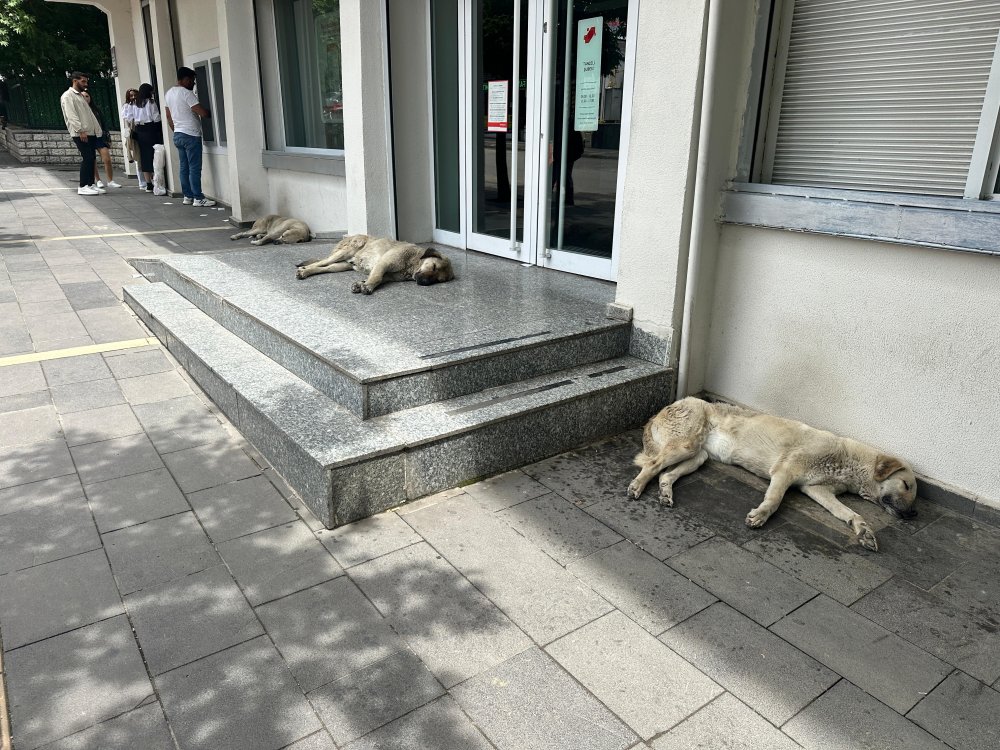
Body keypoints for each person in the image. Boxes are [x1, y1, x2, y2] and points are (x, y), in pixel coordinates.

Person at [163, 67, 215, 207]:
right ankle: (198, 198)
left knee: (184, 167)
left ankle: (188, 196)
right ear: (185, 79)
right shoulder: (187, 93)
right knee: (194, 168)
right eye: (192, 80)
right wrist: (211, 112)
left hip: (178, 134)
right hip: (191, 134)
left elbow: (168, 116)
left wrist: (176, 130)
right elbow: (202, 113)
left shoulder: (168, 94)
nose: (193, 83)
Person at [59, 71, 105, 196]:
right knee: (87, 158)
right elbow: (71, 115)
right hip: (81, 133)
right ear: (75, 80)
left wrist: (97, 130)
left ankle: (90, 184)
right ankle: (83, 185)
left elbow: (89, 115)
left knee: (92, 158)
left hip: (89, 132)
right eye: (83, 81)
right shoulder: (68, 96)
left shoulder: (80, 95)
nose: (85, 84)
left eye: (86, 81)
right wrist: (80, 130)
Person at [81, 90, 121, 189]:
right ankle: (97, 180)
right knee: (92, 159)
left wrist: (107, 137)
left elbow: (103, 124)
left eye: (87, 96)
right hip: (88, 136)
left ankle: (110, 180)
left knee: (107, 159)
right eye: (83, 96)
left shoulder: (96, 109)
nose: (85, 98)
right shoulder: (80, 111)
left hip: (99, 136)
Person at [130, 83, 163, 192]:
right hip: (150, 129)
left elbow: (131, 118)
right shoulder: (151, 102)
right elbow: (156, 117)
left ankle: (148, 183)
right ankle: (156, 181)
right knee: (154, 154)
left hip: (140, 131)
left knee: (144, 156)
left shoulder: (135, 103)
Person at [120, 87, 145, 188]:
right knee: (137, 157)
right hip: (133, 133)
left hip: (142, 131)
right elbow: (127, 120)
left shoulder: (142, 104)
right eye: (131, 95)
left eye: (135, 95)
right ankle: (142, 181)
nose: (133, 97)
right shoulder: (126, 106)